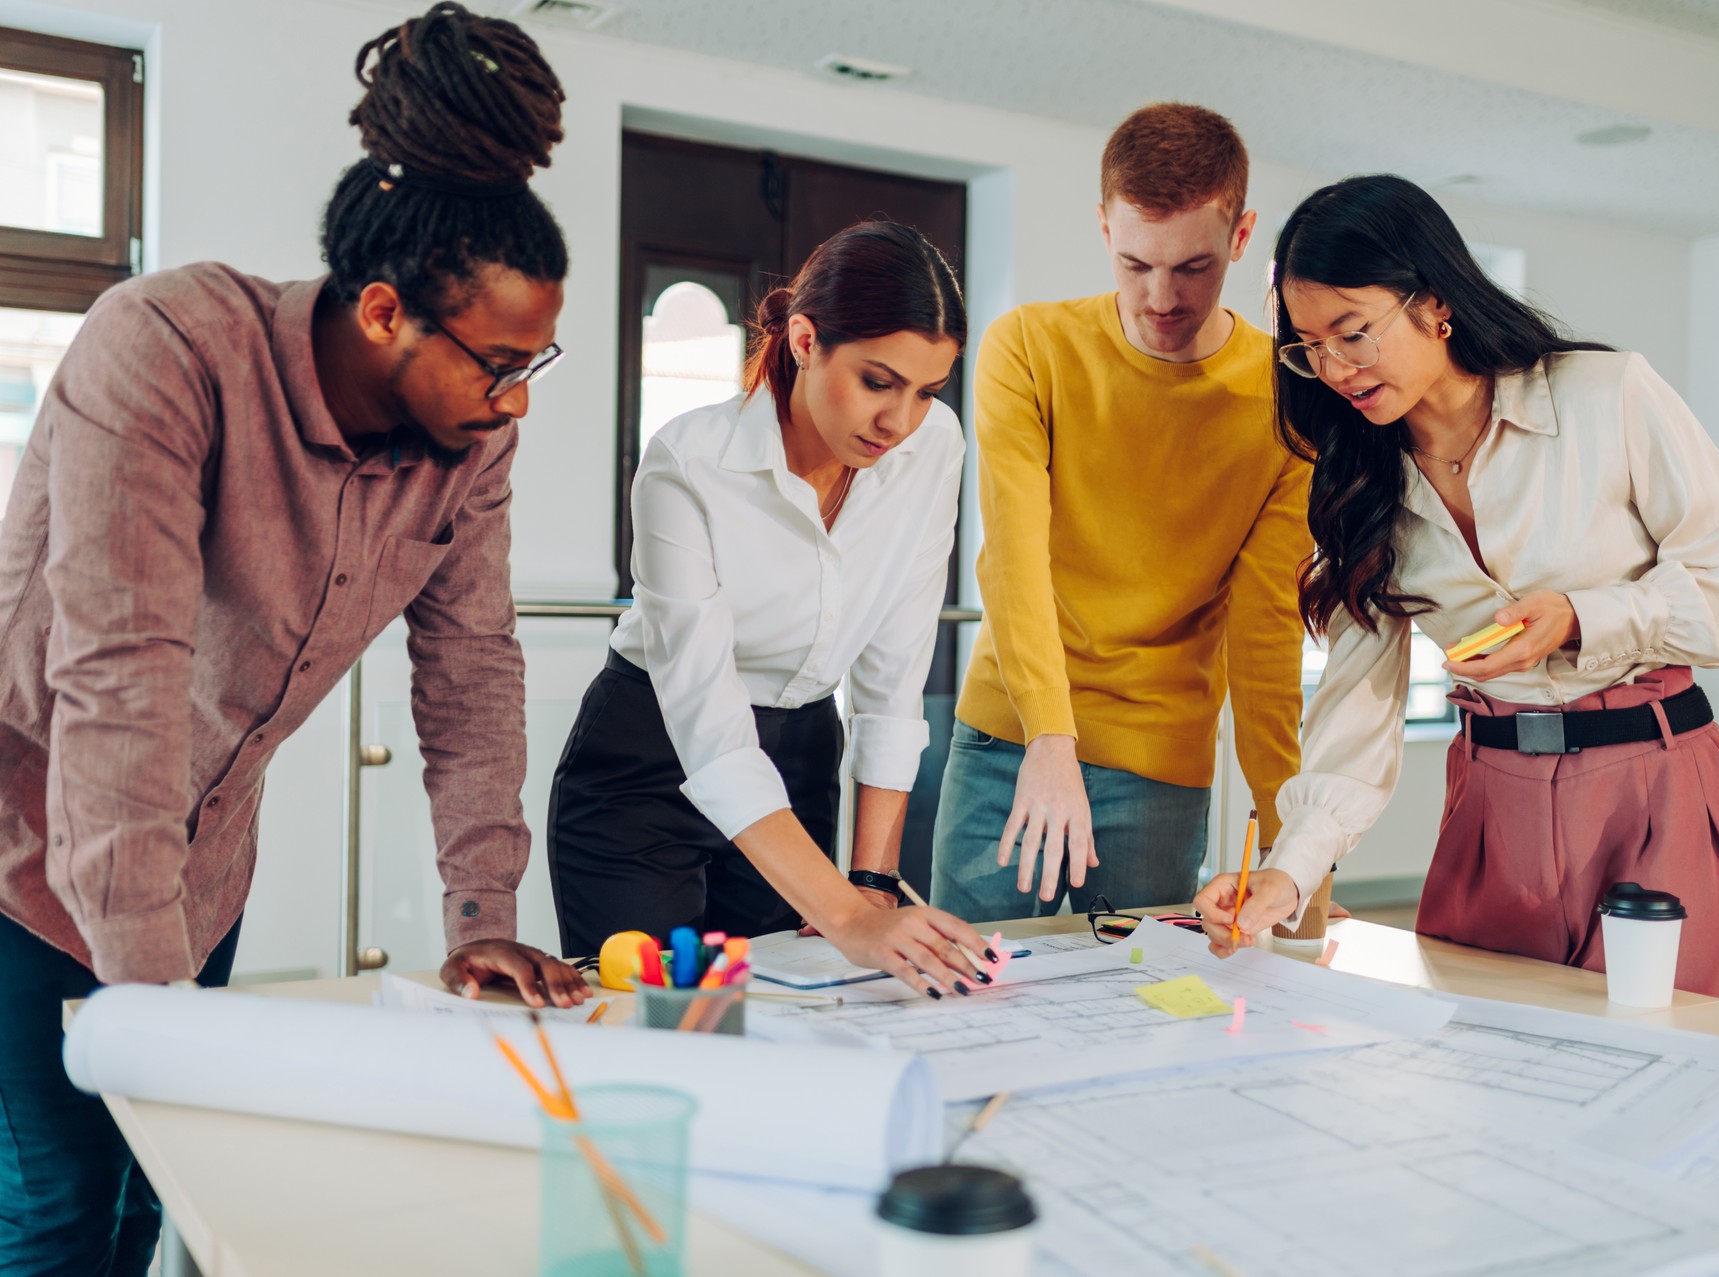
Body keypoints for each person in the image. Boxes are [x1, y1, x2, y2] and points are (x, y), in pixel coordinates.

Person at [0, 6, 591, 1271]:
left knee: (150, 1202)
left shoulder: (468, 442)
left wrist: (482, 911)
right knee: (53, 1213)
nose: (515, 398)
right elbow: (121, 680)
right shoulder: (165, 352)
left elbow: (473, 668)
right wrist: (158, 1014)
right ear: (385, 313)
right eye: (499, 362)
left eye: (537, 363)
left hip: (200, 863)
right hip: (28, 857)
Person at [1197, 174, 1719, 998]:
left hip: (1658, 789)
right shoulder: (1360, 482)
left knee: (1648, 1070)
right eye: (1308, 345)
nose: (1332, 367)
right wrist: (1286, 874)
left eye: (1353, 332)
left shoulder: (1606, 396)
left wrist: (1584, 618)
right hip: (1489, 811)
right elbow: (1357, 703)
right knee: (1487, 1080)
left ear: (1435, 304)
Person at [548, 220, 992, 996]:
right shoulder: (687, 463)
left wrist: (871, 879)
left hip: (800, 760)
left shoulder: (933, 447)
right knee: (660, 1021)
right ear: (804, 339)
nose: (900, 421)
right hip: (648, 762)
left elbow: (894, 677)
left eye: (927, 391)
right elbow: (713, 736)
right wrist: (851, 920)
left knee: (787, 1017)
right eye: (878, 381)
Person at [930, 103, 1314, 918]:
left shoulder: (1289, 403)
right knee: (962, 1001)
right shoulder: (1028, 347)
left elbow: (1265, 632)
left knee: (1141, 1010)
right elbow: (1013, 555)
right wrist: (1048, 735)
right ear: (1103, 227)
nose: (1162, 297)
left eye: (1193, 267)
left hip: (1158, 765)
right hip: (1010, 741)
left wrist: (1294, 849)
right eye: (1136, 263)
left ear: (1243, 238)